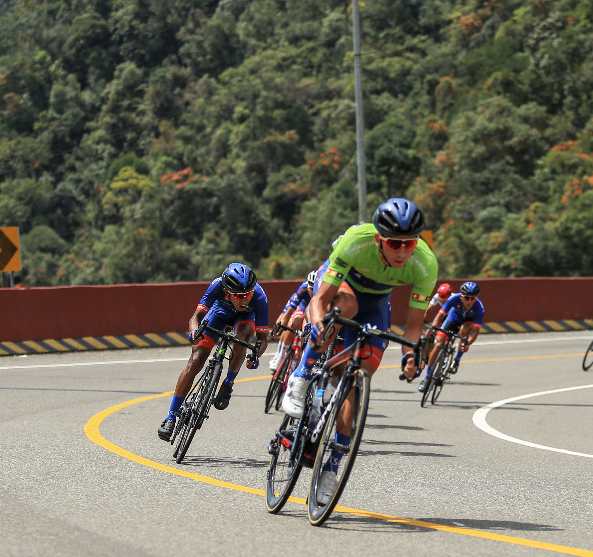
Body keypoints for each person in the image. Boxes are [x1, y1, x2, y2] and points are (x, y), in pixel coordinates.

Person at [282, 198, 438, 491]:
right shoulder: (356, 240)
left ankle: (332, 468)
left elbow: (414, 327)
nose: (402, 251)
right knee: (346, 307)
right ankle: (301, 376)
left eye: (409, 243)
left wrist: (410, 355)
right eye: (394, 244)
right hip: (343, 288)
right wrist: (318, 324)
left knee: (361, 372)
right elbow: (320, 299)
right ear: (378, 239)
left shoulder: (425, 263)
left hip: (377, 302)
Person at [158, 262, 268, 441]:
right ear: (227, 291)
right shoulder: (217, 285)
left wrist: (256, 355)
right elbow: (196, 317)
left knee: (242, 339)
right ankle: (170, 416)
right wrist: (194, 332)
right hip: (219, 313)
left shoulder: (259, 297)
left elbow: (263, 339)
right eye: (239, 296)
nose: (245, 300)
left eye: (248, 294)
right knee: (196, 360)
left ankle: (228, 383)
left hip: (244, 318)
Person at [418, 281, 484, 391]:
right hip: (453, 319)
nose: (469, 301)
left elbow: (475, 331)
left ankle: (457, 359)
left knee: (464, 331)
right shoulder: (454, 299)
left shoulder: (479, 308)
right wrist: (433, 328)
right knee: (438, 344)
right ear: (461, 296)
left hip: (467, 322)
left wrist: (468, 343)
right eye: (467, 298)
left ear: (476, 298)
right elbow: (439, 316)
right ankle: (427, 378)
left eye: (472, 298)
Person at [267, 269, 319, 372]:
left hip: (315, 308)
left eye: (316, 288)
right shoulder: (303, 289)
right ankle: (280, 355)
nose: (313, 291)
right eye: (311, 288)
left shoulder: (324, 288)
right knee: (295, 322)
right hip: (302, 306)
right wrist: (278, 328)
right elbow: (287, 313)